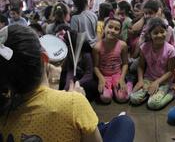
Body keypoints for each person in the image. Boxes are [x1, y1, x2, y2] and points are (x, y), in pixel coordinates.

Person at [0, 24, 135, 142]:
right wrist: (77, 100)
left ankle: (102, 125)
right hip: (73, 110)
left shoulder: (4, 111)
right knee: (124, 122)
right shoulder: (73, 103)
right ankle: (104, 125)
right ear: (45, 58)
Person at [130, 17, 175, 110]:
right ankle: (150, 93)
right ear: (150, 35)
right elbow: (141, 66)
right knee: (133, 98)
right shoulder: (144, 47)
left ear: (166, 32)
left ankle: (172, 93)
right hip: (148, 79)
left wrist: (157, 82)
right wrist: (140, 81)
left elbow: (170, 72)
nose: (159, 35)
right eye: (155, 33)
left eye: (162, 32)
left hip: (164, 81)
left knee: (153, 104)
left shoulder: (170, 50)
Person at [93, 16, 132, 103]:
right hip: (104, 76)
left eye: (116, 29)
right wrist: (101, 78)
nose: (112, 30)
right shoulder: (97, 47)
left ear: (120, 32)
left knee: (122, 98)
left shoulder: (122, 45)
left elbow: (125, 63)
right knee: (105, 98)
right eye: (110, 27)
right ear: (104, 28)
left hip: (117, 75)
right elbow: (95, 66)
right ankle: (110, 89)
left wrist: (122, 78)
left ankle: (129, 84)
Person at [59, 30, 99, 101]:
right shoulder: (70, 53)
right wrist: (68, 83)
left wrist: (78, 82)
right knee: (64, 83)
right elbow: (70, 69)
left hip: (85, 78)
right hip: (75, 76)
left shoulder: (86, 55)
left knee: (90, 87)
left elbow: (89, 74)